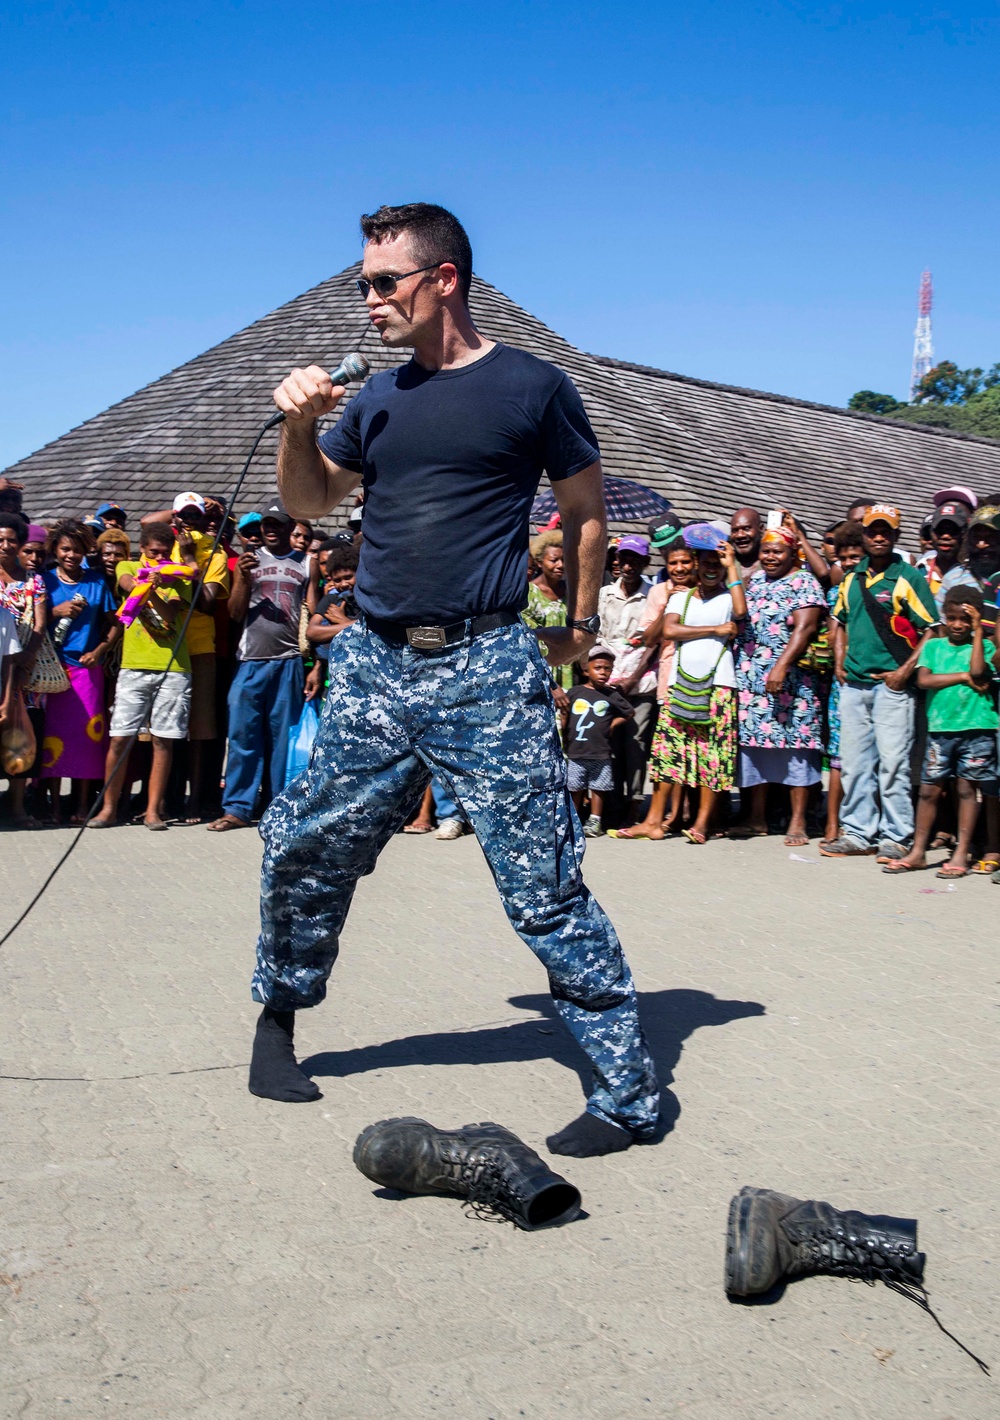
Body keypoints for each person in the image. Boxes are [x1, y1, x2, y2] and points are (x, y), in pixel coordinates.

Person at [252, 200, 658, 1157]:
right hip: (376, 662)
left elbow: (585, 511)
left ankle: (628, 1094)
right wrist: (300, 428)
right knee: (306, 845)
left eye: (382, 282)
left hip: (487, 662)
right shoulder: (378, 398)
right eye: (361, 284)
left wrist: (582, 627)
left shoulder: (531, 386)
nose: (367, 301)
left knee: (542, 880)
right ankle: (278, 1022)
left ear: (444, 279)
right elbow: (311, 502)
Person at [823, 505, 938, 860]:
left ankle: (895, 836)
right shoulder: (852, 576)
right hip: (854, 685)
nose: (878, 537)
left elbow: (933, 631)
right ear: (864, 534)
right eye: (873, 531)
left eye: (886, 531)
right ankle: (858, 832)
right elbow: (837, 619)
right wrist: (839, 660)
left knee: (893, 764)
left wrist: (903, 672)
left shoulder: (908, 578)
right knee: (856, 764)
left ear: (896, 536)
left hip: (892, 687)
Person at [207, 496, 311, 832]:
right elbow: (235, 613)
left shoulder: (306, 563)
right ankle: (238, 807)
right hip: (250, 659)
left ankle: (279, 807)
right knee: (242, 735)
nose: (270, 529)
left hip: (288, 661)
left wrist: (314, 664)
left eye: (278, 524)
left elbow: (311, 613)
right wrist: (241, 579)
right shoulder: (248, 562)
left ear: (288, 528)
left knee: (283, 739)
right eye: (266, 523)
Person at [884, 588, 998, 878]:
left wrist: (977, 632)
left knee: (966, 789)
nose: (957, 624)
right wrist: (962, 677)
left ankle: (961, 852)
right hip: (940, 729)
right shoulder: (934, 646)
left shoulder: (983, 646)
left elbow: (979, 669)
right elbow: (924, 680)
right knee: (928, 790)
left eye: (965, 619)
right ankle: (918, 851)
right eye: (952, 618)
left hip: (976, 728)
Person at [88, 523, 194, 830]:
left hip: (173, 668)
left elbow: (170, 617)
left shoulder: (178, 578)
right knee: (120, 738)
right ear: (142, 550)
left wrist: (156, 589)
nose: (158, 558)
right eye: (153, 552)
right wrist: (142, 583)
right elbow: (123, 581)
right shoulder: (129, 566)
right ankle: (108, 808)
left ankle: (152, 811)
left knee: (163, 741)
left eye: (164, 553)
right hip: (133, 666)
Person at [731, 526, 826, 846]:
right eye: (766, 550)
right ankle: (756, 818)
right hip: (753, 679)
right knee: (754, 748)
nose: (770, 557)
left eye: (778, 551)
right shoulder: (756, 580)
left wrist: (781, 666)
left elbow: (807, 627)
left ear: (792, 553)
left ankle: (798, 821)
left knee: (797, 749)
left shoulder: (805, 582)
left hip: (791, 682)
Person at [651, 537, 746, 844]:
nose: (711, 570)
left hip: (719, 683)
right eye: (705, 564)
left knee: (713, 754)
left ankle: (702, 822)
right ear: (695, 565)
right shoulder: (683, 598)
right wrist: (716, 630)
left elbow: (742, 611)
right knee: (669, 749)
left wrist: (731, 566)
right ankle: (658, 819)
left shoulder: (729, 597)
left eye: (716, 565)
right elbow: (669, 630)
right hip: (681, 682)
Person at [613, 539, 698, 839]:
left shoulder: (705, 590)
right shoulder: (660, 592)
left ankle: (681, 815)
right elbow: (648, 638)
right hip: (669, 677)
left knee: (694, 750)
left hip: (703, 677)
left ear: (696, 563)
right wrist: (669, 605)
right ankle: (662, 818)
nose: (679, 569)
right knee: (668, 751)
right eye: (673, 564)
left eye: (685, 562)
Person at [40, 519, 120, 822]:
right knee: (52, 738)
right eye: (64, 549)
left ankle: (83, 806)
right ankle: (54, 806)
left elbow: (115, 623)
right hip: (50, 671)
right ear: (55, 550)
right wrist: (54, 612)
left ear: (85, 550)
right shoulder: (45, 581)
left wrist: (100, 650)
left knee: (87, 739)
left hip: (86, 671)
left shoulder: (96, 582)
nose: (71, 555)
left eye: (76, 549)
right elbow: (29, 621)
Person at [169, 493, 231, 821]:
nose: (190, 522)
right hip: (164, 646)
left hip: (200, 647)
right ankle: (165, 798)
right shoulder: (166, 543)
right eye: (185, 516)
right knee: (166, 729)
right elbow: (145, 524)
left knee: (199, 730)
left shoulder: (215, 551)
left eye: (196, 516)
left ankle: (194, 801)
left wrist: (191, 558)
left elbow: (207, 603)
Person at [598, 534, 656, 822]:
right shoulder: (605, 593)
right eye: (624, 559)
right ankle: (611, 804)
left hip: (640, 682)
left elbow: (654, 642)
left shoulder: (653, 595)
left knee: (635, 743)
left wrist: (633, 678)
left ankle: (634, 804)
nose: (629, 565)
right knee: (607, 742)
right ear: (616, 561)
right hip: (605, 680)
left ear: (645, 562)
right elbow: (595, 636)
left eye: (635, 560)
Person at [0, 512, 48, 826]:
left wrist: (26, 655)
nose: (5, 545)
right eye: (0, 540)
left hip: (26, 671)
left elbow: (41, 622)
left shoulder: (33, 580)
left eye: (11, 541)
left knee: (20, 738)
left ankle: (17, 806)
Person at [821, 522, 864, 845]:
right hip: (844, 680)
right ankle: (833, 824)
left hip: (872, 678)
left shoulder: (877, 589)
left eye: (855, 556)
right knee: (838, 757)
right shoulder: (837, 593)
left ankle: (865, 824)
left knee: (870, 757)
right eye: (844, 557)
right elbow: (833, 634)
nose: (849, 563)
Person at [563, 647, 633, 836]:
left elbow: (629, 712)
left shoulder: (611, 694)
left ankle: (595, 821)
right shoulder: (575, 692)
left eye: (608, 669)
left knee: (598, 788)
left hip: (600, 752)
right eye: (598, 668)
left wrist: (612, 725)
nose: (603, 673)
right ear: (586, 670)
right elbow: (565, 713)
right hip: (577, 751)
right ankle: (573, 819)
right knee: (575, 787)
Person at [521, 529, 572, 701]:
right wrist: (551, 684)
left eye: (564, 560)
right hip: (539, 670)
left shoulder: (571, 593)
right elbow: (525, 640)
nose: (560, 565)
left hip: (568, 670)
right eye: (554, 560)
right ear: (540, 562)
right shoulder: (529, 593)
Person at [304, 541, 359, 701]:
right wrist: (351, 625)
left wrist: (340, 620)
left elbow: (373, 632)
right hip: (336, 677)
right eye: (337, 580)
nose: (343, 584)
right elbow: (312, 631)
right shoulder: (332, 599)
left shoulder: (369, 601)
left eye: (348, 577)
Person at [921, 500, 968, 601]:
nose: (946, 536)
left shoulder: (971, 574)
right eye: (940, 531)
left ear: (964, 534)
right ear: (932, 533)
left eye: (953, 531)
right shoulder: (919, 571)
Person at [729, 508, 762, 584]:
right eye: (735, 530)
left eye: (746, 529)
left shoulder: (772, 563)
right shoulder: (725, 565)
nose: (740, 535)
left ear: (761, 529)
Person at [96, 527, 131, 597]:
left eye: (118, 555)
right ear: (99, 556)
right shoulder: (89, 581)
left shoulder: (134, 579)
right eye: (107, 554)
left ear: (126, 558)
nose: (112, 559)